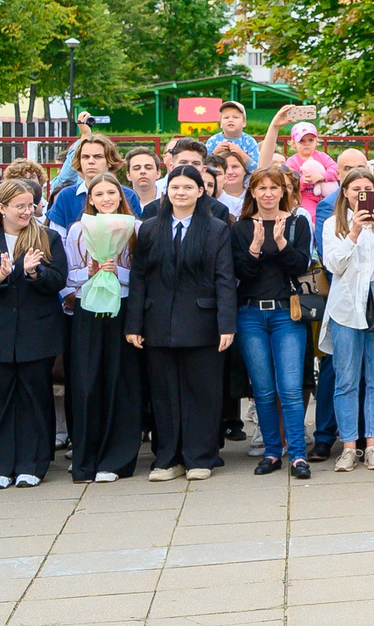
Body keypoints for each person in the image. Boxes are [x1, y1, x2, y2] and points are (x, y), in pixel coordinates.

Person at [128, 166, 238, 481]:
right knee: (163, 395)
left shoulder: (216, 228)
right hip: (158, 325)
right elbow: (139, 279)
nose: (181, 193)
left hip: (203, 325)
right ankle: (168, 459)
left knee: (202, 393)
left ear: (200, 191)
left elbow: (225, 279)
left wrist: (226, 324)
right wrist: (133, 324)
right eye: (175, 187)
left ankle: (200, 457)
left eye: (188, 187)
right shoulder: (149, 228)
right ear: (167, 191)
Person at [0, 178, 66, 488]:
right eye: (19, 206)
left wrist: (36, 272)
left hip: (37, 332)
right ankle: (0, 467)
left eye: (30, 206)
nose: (26, 212)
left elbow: (58, 279)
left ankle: (32, 465)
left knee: (34, 397)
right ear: (2, 208)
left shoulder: (47, 236)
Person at [230, 165, 315, 478]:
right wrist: (253, 249)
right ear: (253, 192)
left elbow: (299, 266)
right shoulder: (239, 228)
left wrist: (279, 242)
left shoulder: (296, 223)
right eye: (261, 188)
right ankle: (270, 452)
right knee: (263, 390)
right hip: (250, 314)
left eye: (274, 188)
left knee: (290, 389)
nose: (267, 194)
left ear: (284, 191)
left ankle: (297, 455)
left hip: (286, 314)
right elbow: (242, 274)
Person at [320, 167, 374, 473]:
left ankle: (373, 446)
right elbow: (334, 265)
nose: (361, 195)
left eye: (367, 189)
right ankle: (348, 447)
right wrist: (354, 232)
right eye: (355, 189)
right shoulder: (333, 224)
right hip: (345, 310)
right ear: (345, 193)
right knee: (346, 380)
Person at [61, 173, 142, 483]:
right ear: (90, 199)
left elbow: (141, 276)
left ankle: (117, 459)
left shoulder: (136, 229)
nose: (107, 198)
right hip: (86, 311)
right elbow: (67, 277)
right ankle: (85, 459)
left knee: (120, 382)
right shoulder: (77, 231)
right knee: (86, 383)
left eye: (112, 192)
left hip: (122, 310)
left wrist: (116, 269)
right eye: (100, 193)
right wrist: (90, 271)